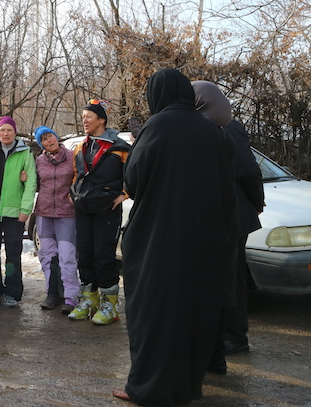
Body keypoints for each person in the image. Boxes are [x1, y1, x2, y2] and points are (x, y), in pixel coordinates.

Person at [113, 68, 235, 405]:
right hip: (204, 240)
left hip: (160, 240)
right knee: (192, 313)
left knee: (154, 313)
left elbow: (134, 181)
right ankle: (186, 386)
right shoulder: (211, 130)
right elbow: (227, 188)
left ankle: (146, 388)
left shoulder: (159, 125)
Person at [193, 81, 264, 364]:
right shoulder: (206, 125)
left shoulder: (226, 127)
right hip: (224, 212)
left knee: (232, 277)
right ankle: (224, 334)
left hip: (230, 213)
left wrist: (255, 204)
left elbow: (248, 169)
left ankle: (235, 337)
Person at [68, 99, 129, 325]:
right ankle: (88, 300)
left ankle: (109, 305)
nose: (84, 120)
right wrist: (72, 194)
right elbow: (76, 175)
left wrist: (124, 194)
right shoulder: (79, 147)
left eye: (89, 117)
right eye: (83, 116)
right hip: (83, 208)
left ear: (102, 119)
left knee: (104, 256)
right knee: (85, 255)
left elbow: (133, 175)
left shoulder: (120, 147)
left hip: (106, 209)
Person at [32, 126, 79, 313]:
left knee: (67, 256)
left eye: (50, 136)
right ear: (40, 144)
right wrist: (23, 177)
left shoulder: (73, 156)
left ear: (56, 136)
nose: (48, 141)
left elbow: (80, 176)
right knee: (47, 256)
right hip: (44, 213)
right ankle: (52, 294)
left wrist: (74, 193)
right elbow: (32, 184)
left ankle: (71, 297)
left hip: (67, 212)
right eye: (43, 139)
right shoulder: (38, 161)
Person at [0, 116, 36, 309]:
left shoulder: (25, 152)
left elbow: (31, 182)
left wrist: (25, 209)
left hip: (14, 211)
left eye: (9, 130)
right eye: (2, 130)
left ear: (15, 132)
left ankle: (12, 292)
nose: (6, 134)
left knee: (13, 253)